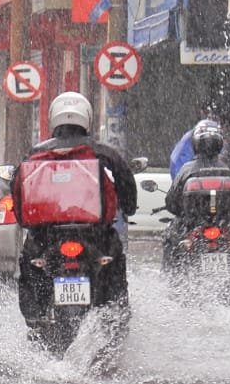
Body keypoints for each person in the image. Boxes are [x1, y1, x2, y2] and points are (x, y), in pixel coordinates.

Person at [12, 92, 137, 323]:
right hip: (95, 235)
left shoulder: (35, 155)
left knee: (31, 265)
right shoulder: (102, 152)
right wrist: (129, 206)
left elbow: (18, 190)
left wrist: (24, 221)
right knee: (114, 262)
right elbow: (125, 180)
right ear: (86, 118)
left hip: (46, 236)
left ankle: (36, 317)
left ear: (54, 119)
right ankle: (115, 315)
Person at [164, 118, 230, 258]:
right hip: (224, 227)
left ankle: (171, 278)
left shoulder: (186, 170)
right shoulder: (227, 170)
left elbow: (171, 203)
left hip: (192, 227)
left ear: (196, 144)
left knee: (168, 237)